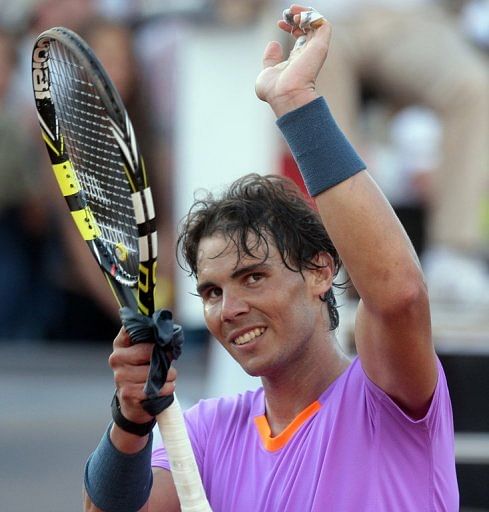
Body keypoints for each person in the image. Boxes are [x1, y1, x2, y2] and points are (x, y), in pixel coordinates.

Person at [83, 5, 459, 511]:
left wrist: (297, 104)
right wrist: (129, 422)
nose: (230, 308)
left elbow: (399, 293)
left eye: (253, 277)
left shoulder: (383, 396)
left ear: (320, 271)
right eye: (212, 291)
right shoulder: (204, 432)